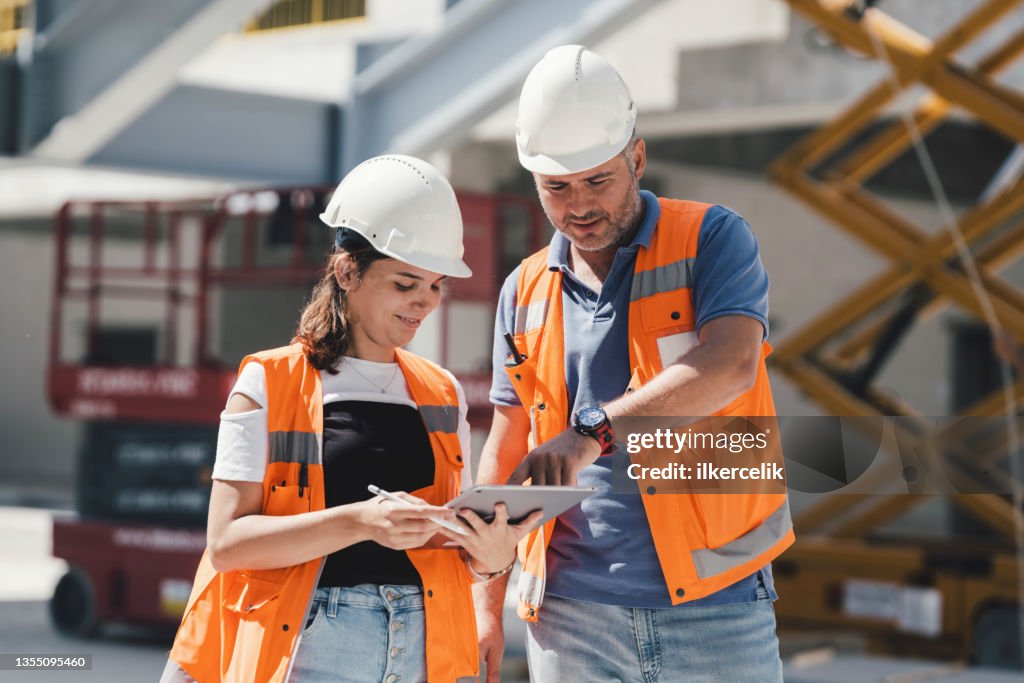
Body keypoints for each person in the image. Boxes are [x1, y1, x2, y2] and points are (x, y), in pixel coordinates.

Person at [473, 46, 794, 682]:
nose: (579, 205)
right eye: (556, 188)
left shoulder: (711, 239)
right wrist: (485, 606)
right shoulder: (524, 289)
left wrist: (592, 431)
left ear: (637, 159)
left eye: (598, 180)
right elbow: (507, 446)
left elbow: (731, 367)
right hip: (568, 615)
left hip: (717, 603)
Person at [161, 155, 541, 683]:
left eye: (435, 286)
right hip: (314, 645)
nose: (424, 303)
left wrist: (491, 557)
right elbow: (227, 544)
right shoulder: (267, 382)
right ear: (347, 270)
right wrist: (360, 522)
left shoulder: (442, 392)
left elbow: (448, 551)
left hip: (426, 648)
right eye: (405, 284)